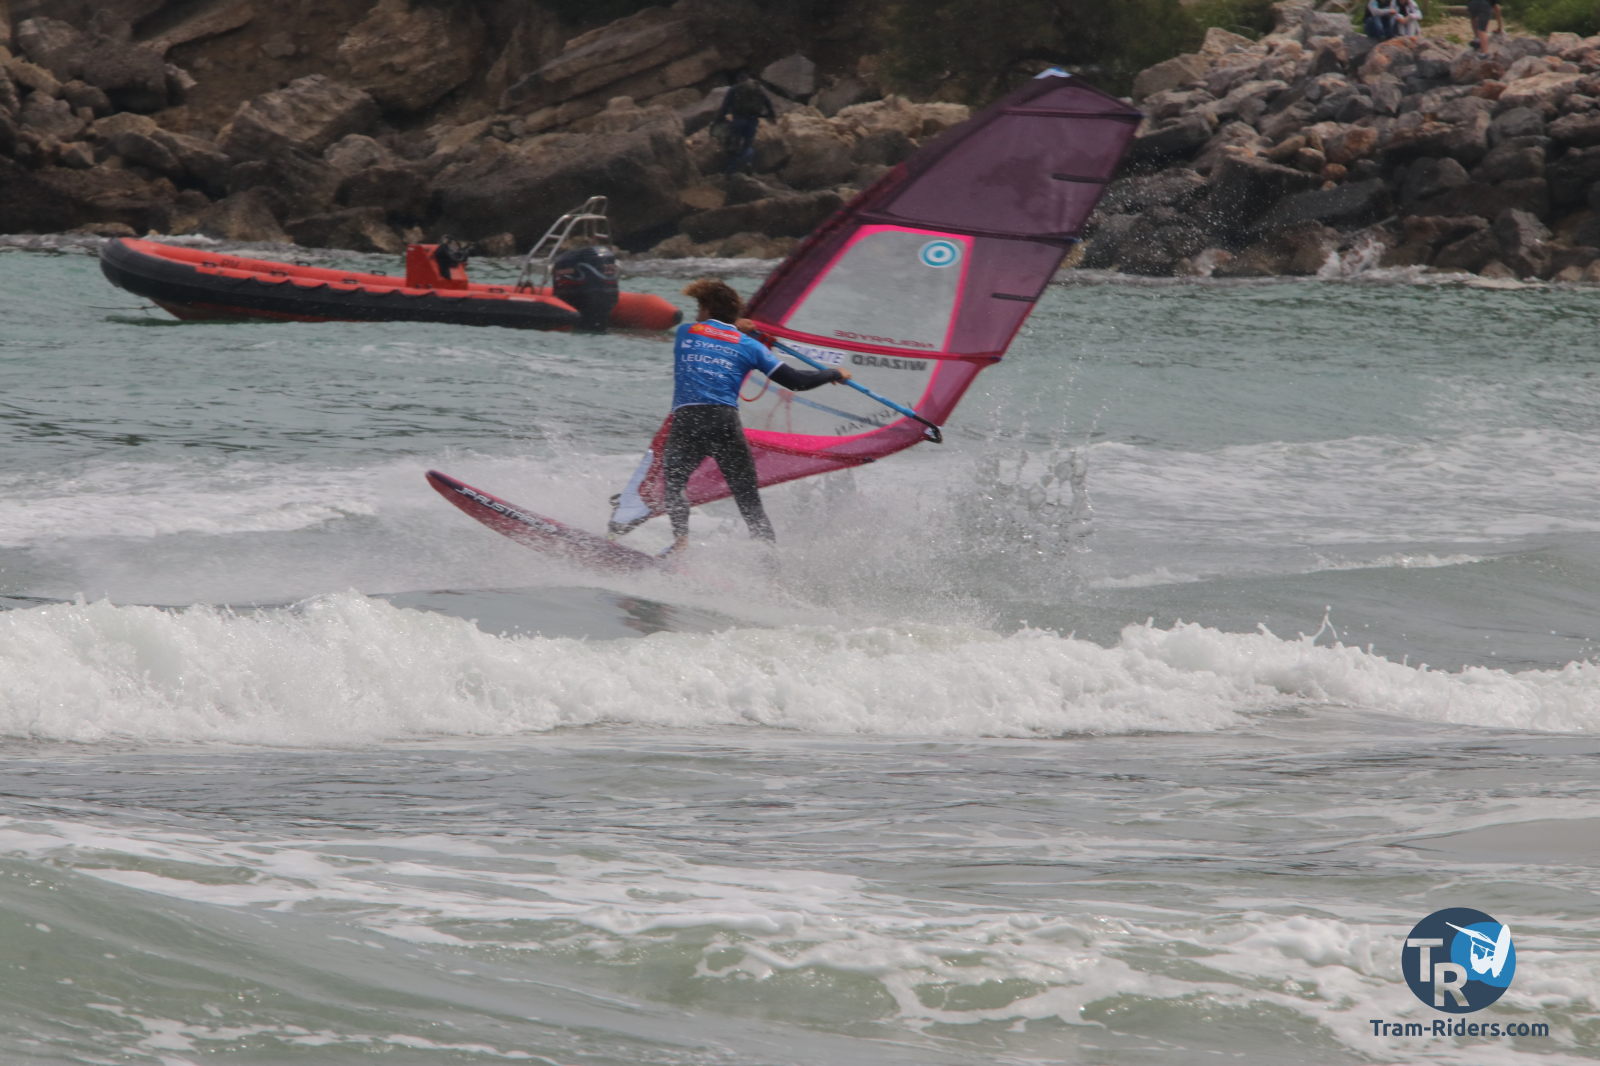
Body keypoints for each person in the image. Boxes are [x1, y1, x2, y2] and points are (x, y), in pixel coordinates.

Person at [662, 278, 849, 555]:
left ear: (707, 308)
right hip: (724, 421)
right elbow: (797, 381)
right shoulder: (751, 346)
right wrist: (833, 373)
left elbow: (713, 331)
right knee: (748, 500)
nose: (697, 314)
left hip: (689, 420)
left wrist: (736, 326)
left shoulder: (686, 332)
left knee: (674, 484)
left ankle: (680, 543)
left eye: (699, 307)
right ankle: (769, 562)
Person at [715, 71, 775, 174]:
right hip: (753, 121)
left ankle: (730, 171)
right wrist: (772, 115)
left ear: (738, 80)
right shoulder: (757, 88)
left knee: (733, 146)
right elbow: (767, 102)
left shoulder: (734, 89)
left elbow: (725, 106)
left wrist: (719, 119)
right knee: (747, 145)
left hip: (738, 120)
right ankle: (747, 165)